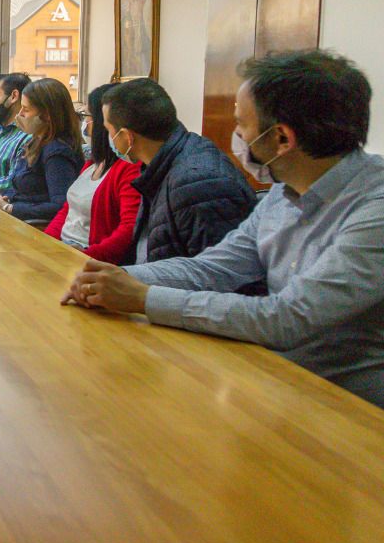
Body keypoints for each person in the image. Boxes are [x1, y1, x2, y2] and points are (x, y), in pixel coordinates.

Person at [64, 50, 384, 408]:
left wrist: (143, 297)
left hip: (350, 410)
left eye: (241, 124)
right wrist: (116, 277)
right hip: (272, 381)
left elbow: (289, 317)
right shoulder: (284, 189)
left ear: (281, 139)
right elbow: (214, 266)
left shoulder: (374, 209)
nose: (236, 135)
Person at [103, 77, 255, 264]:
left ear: (127, 136)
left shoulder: (198, 184)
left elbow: (218, 275)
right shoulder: (161, 165)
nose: (109, 138)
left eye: (109, 130)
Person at [44, 83, 141, 263]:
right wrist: (45, 245)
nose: (84, 123)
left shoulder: (129, 169)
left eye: (86, 115)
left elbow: (128, 230)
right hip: (63, 253)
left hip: (88, 259)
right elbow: (67, 210)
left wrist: (85, 257)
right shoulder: (93, 163)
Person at [0, 77, 84, 222]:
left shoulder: (58, 152)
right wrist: (6, 199)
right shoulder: (36, 142)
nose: (20, 115)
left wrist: (9, 208)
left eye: (26, 110)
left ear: (47, 115)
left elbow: (60, 206)